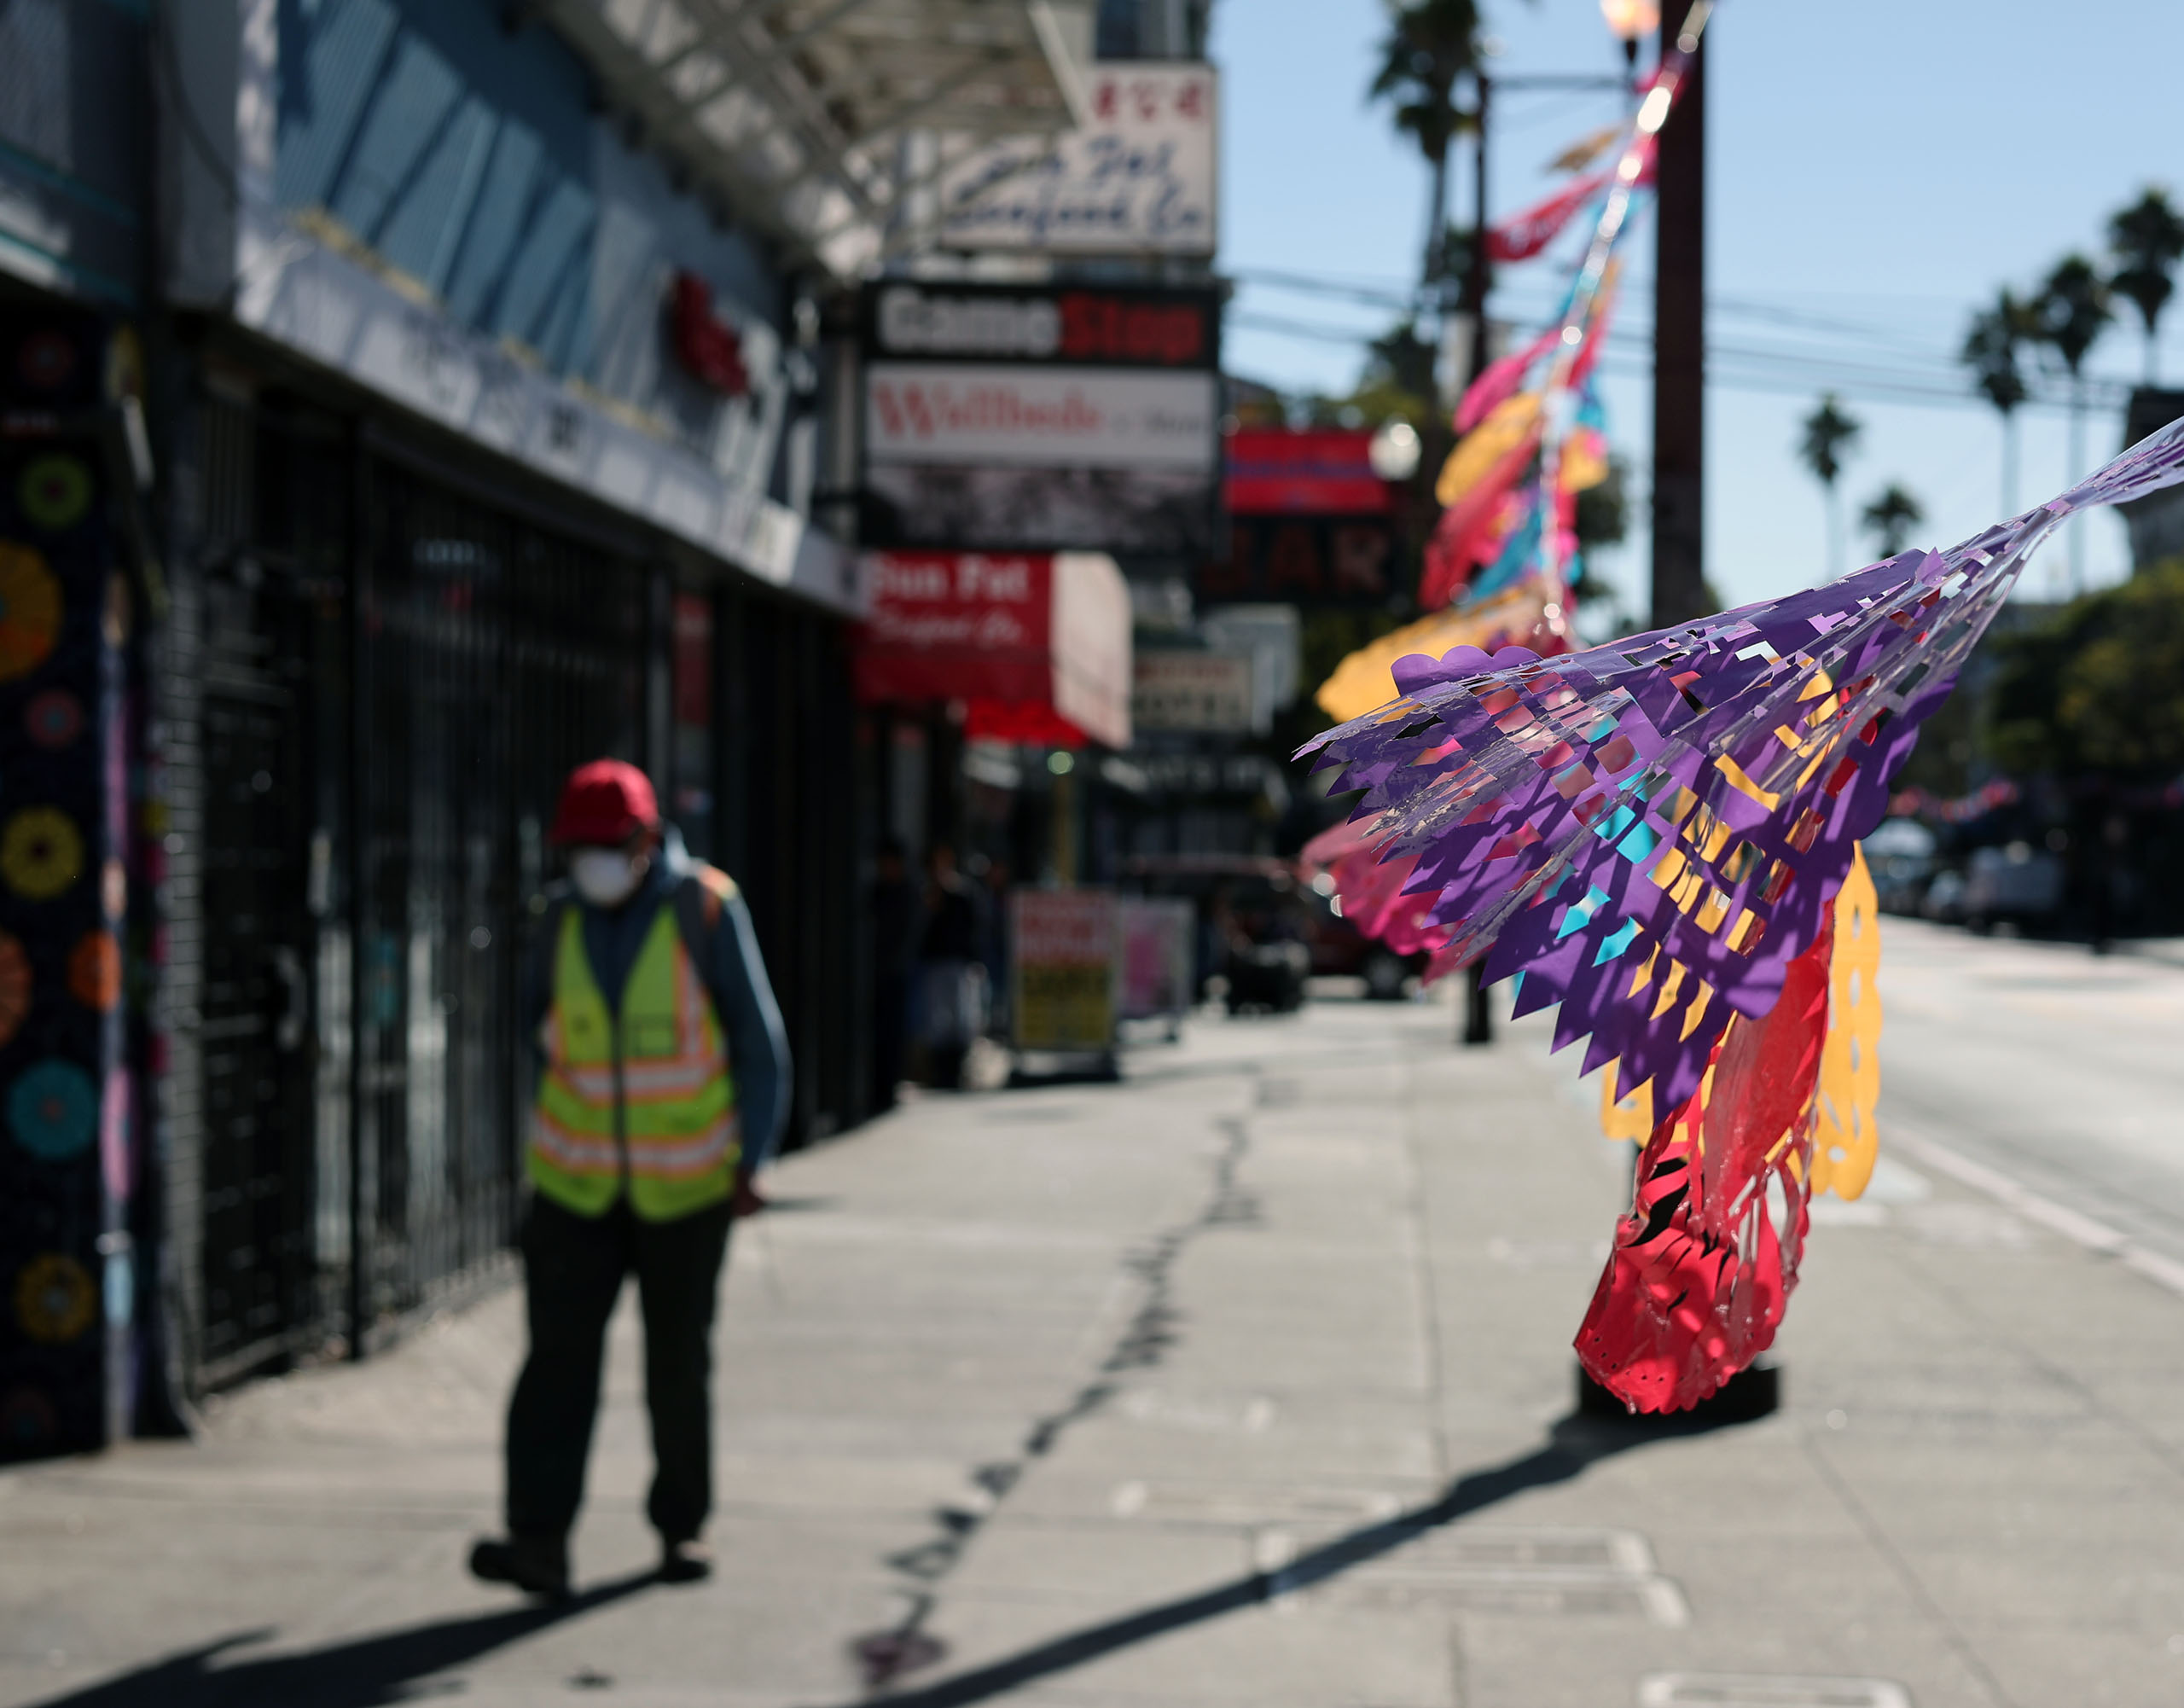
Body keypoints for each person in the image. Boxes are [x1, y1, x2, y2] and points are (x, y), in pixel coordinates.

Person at [470, 759, 789, 1598]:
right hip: (575, 1187)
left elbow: (760, 1049)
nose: (589, 865)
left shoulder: (706, 909)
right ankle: (537, 1539)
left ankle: (683, 1525)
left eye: (603, 848)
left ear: (646, 842)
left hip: (686, 1189)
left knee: (676, 1366)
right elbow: (533, 1036)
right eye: (575, 850)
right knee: (555, 1369)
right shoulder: (559, 919)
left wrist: (750, 1160)